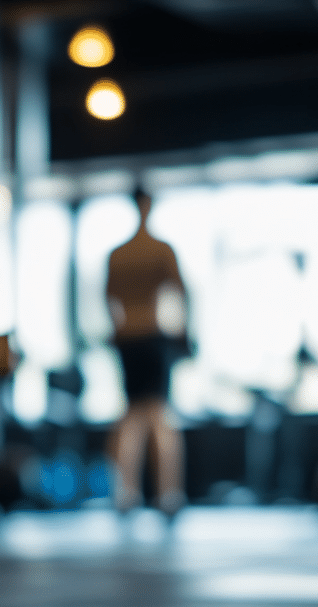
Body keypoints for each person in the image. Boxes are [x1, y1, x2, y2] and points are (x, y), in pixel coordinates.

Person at [106, 188, 189, 517]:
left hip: (128, 337)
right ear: (149, 205)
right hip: (152, 336)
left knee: (131, 417)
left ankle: (127, 494)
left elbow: (109, 299)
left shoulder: (119, 254)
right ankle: (168, 495)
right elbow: (181, 292)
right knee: (157, 415)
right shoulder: (160, 250)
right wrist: (183, 332)